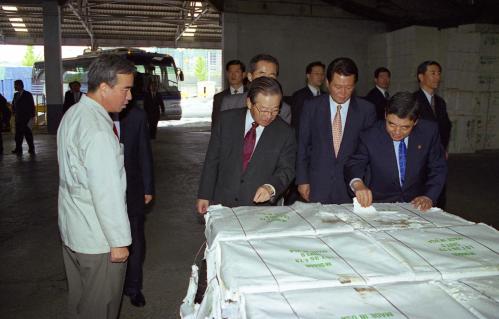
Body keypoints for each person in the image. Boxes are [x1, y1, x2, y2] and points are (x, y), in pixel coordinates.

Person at [57, 54, 134, 319]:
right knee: (101, 308)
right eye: (125, 89)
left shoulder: (73, 114)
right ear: (104, 88)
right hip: (99, 240)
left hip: (74, 231)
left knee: (80, 304)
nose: (130, 96)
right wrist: (119, 242)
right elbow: (107, 192)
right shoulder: (98, 131)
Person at [196, 76, 296, 213]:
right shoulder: (226, 121)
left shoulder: (285, 132)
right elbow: (212, 159)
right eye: (264, 110)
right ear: (249, 102)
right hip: (223, 201)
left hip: (259, 208)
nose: (268, 116)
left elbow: (287, 169)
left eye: (275, 110)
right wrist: (204, 194)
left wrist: (270, 187)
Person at [345, 92, 447, 211]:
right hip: (380, 205)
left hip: (417, 205)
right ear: (385, 115)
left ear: (416, 122)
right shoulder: (370, 135)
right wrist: (358, 184)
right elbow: (354, 164)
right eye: (391, 124)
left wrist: (429, 196)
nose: (397, 132)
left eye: (405, 127)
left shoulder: (429, 132)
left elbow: (438, 167)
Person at [296, 57, 376, 204]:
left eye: (349, 87)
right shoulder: (311, 107)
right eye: (337, 87)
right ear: (327, 83)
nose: (343, 93)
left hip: (351, 187)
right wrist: (302, 180)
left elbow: (368, 152)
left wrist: (365, 183)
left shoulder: (366, 110)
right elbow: (303, 145)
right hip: (317, 183)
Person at [112, 103, 154, 307]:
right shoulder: (92, 116)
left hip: (132, 189)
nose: (128, 96)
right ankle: (112, 288)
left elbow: (144, 151)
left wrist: (148, 186)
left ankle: (133, 287)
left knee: (135, 240)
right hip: (102, 190)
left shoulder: (136, 116)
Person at [414, 60, 452, 208]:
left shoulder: (440, 102)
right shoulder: (414, 101)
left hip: (437, 153)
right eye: (433, 73)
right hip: (419, 153)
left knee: (438, 187)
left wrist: (444, 148)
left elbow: (446, 127)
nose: (437, 77)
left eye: (439, 73)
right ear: (421, 77)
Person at [219, 54, 292, 125]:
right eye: (262, 75)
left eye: (271, 76)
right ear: (250, 77)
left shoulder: (283, 110)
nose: (266, 80)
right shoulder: (230, 103)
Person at [290, 61, 326, 132]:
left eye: (322, 74)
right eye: (317, 74)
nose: (320, 77)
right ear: (308, 76)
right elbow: (297, 123)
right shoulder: (299, 96)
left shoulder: (326, 96)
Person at [211, 60, 246, 128]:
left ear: (243, 75)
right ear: (227, 74)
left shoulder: (251, 94)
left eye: (237, 72)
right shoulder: (219, 97)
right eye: (230, 72)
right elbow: (216, 122)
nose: (233, 75)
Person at [11, 80, 36, 155]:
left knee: (28, 135)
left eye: (15, 85)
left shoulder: (28, 94)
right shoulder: (15, 95)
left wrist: (32, 116)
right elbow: (13, 104)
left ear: (20, 85)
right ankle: (18, 149)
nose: (14, 87)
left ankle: (31, 148)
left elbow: (32, 106)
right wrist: (13, 112)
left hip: (26, 119)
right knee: (18, 135)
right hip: (18, 118)